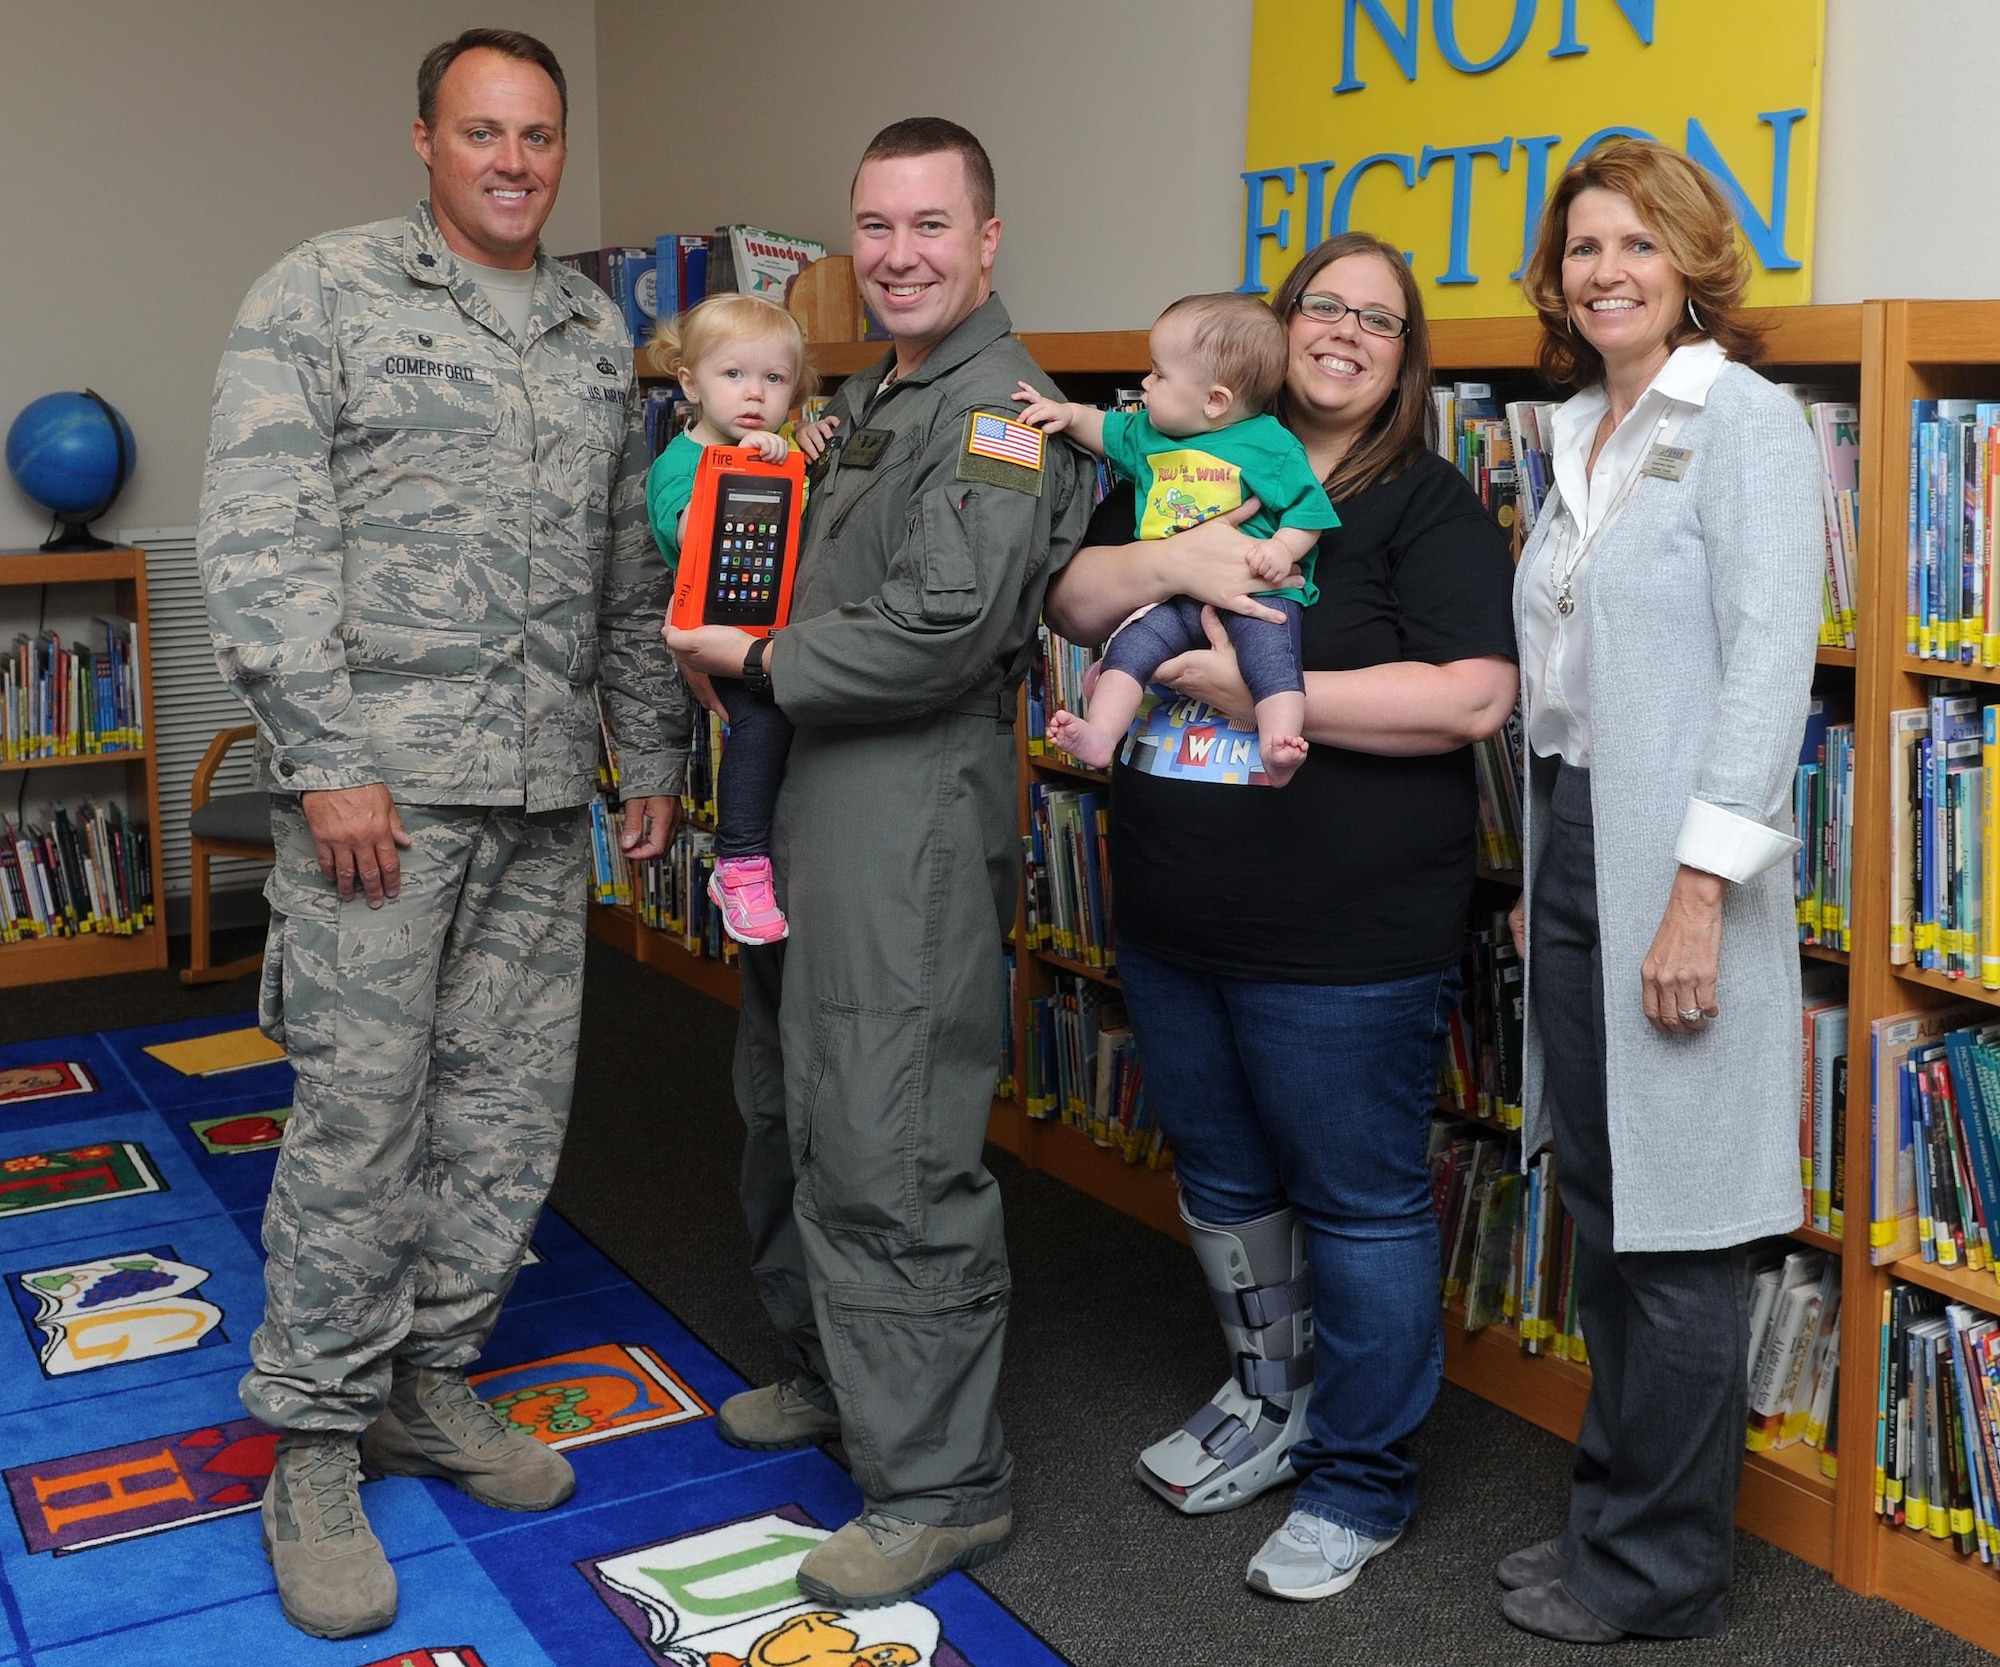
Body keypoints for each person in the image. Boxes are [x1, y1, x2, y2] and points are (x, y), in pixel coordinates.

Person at [195, 28, 684, 1640]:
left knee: (506, 1111)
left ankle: (431, 1379)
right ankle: (316, 1442)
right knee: (361, 1115)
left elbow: (625, 567)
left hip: (544, 794)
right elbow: (262, 543)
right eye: (483, 132)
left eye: (539, 136)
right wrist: (323, 757)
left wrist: (650, 746)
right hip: (378, 803)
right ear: (423, 139)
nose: (515, 161)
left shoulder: (594, 328)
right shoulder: (321, 293)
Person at [1041, 231, 1518, 1600]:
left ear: (1404, 356)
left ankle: (1361, 1475)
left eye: (1381, 318)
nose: (1348, 332)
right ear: (1275, 324)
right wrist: (1168, 557)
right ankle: (1271, 1396)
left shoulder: (1422, 506)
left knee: (1359, 1204)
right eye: (1326, 304)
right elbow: (1079, 598)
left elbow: (1473, 700)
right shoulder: (1192, 460)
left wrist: (1248, 698)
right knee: (1227, 1178)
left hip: (1345, 940)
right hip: (1175, 911)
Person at [662, 118, 1091, 1607]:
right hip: (805, 820)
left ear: (985, 239)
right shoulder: (877, 398)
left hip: (901, 824)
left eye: (930, 225)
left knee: (890, 1141)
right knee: (788, 1107)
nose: (899, 254)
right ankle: (841, 1379)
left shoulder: (997, 412)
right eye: (876, 226)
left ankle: (940, 1481)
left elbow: (942, 629)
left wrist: (760, 654)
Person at [1494, 138, 1823, 1645]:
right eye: (1583, 248)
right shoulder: (1576, 430)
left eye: (1635, 242)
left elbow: (1768, 667)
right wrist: (1546, 865)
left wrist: (1696, 887)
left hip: (1685, 855)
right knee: (1604, 1205)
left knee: (1681, 1230)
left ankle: (1661, 1568)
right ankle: (1608, 1520)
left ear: (1689, 259)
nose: (1606, 270)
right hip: (1577, 833)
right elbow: (1567, 674)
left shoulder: (1741, 419)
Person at [1012, 292, 1338, 786]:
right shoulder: (1149, 432)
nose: (1144, 382)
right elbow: (1104, 428)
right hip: (1172, 597)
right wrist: (1067, 415)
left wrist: (1280, 549)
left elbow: (1308, 511)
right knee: (1128, 649)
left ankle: (1279, 746)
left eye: (1159, 374)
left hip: (1257, 593)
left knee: (1273, 662)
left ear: (1215, 401)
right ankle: (1101, 734)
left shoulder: (1270, 445)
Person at [646, 293, 810, 945]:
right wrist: (750, 468)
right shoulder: (679, 465)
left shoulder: (778, 450)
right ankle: (738, 861)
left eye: (774, 378)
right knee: (761, 719)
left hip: (773, 629)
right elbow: (694, 534)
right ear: (689, 382)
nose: (754, 394)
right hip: (716, 633)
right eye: (733, 374)